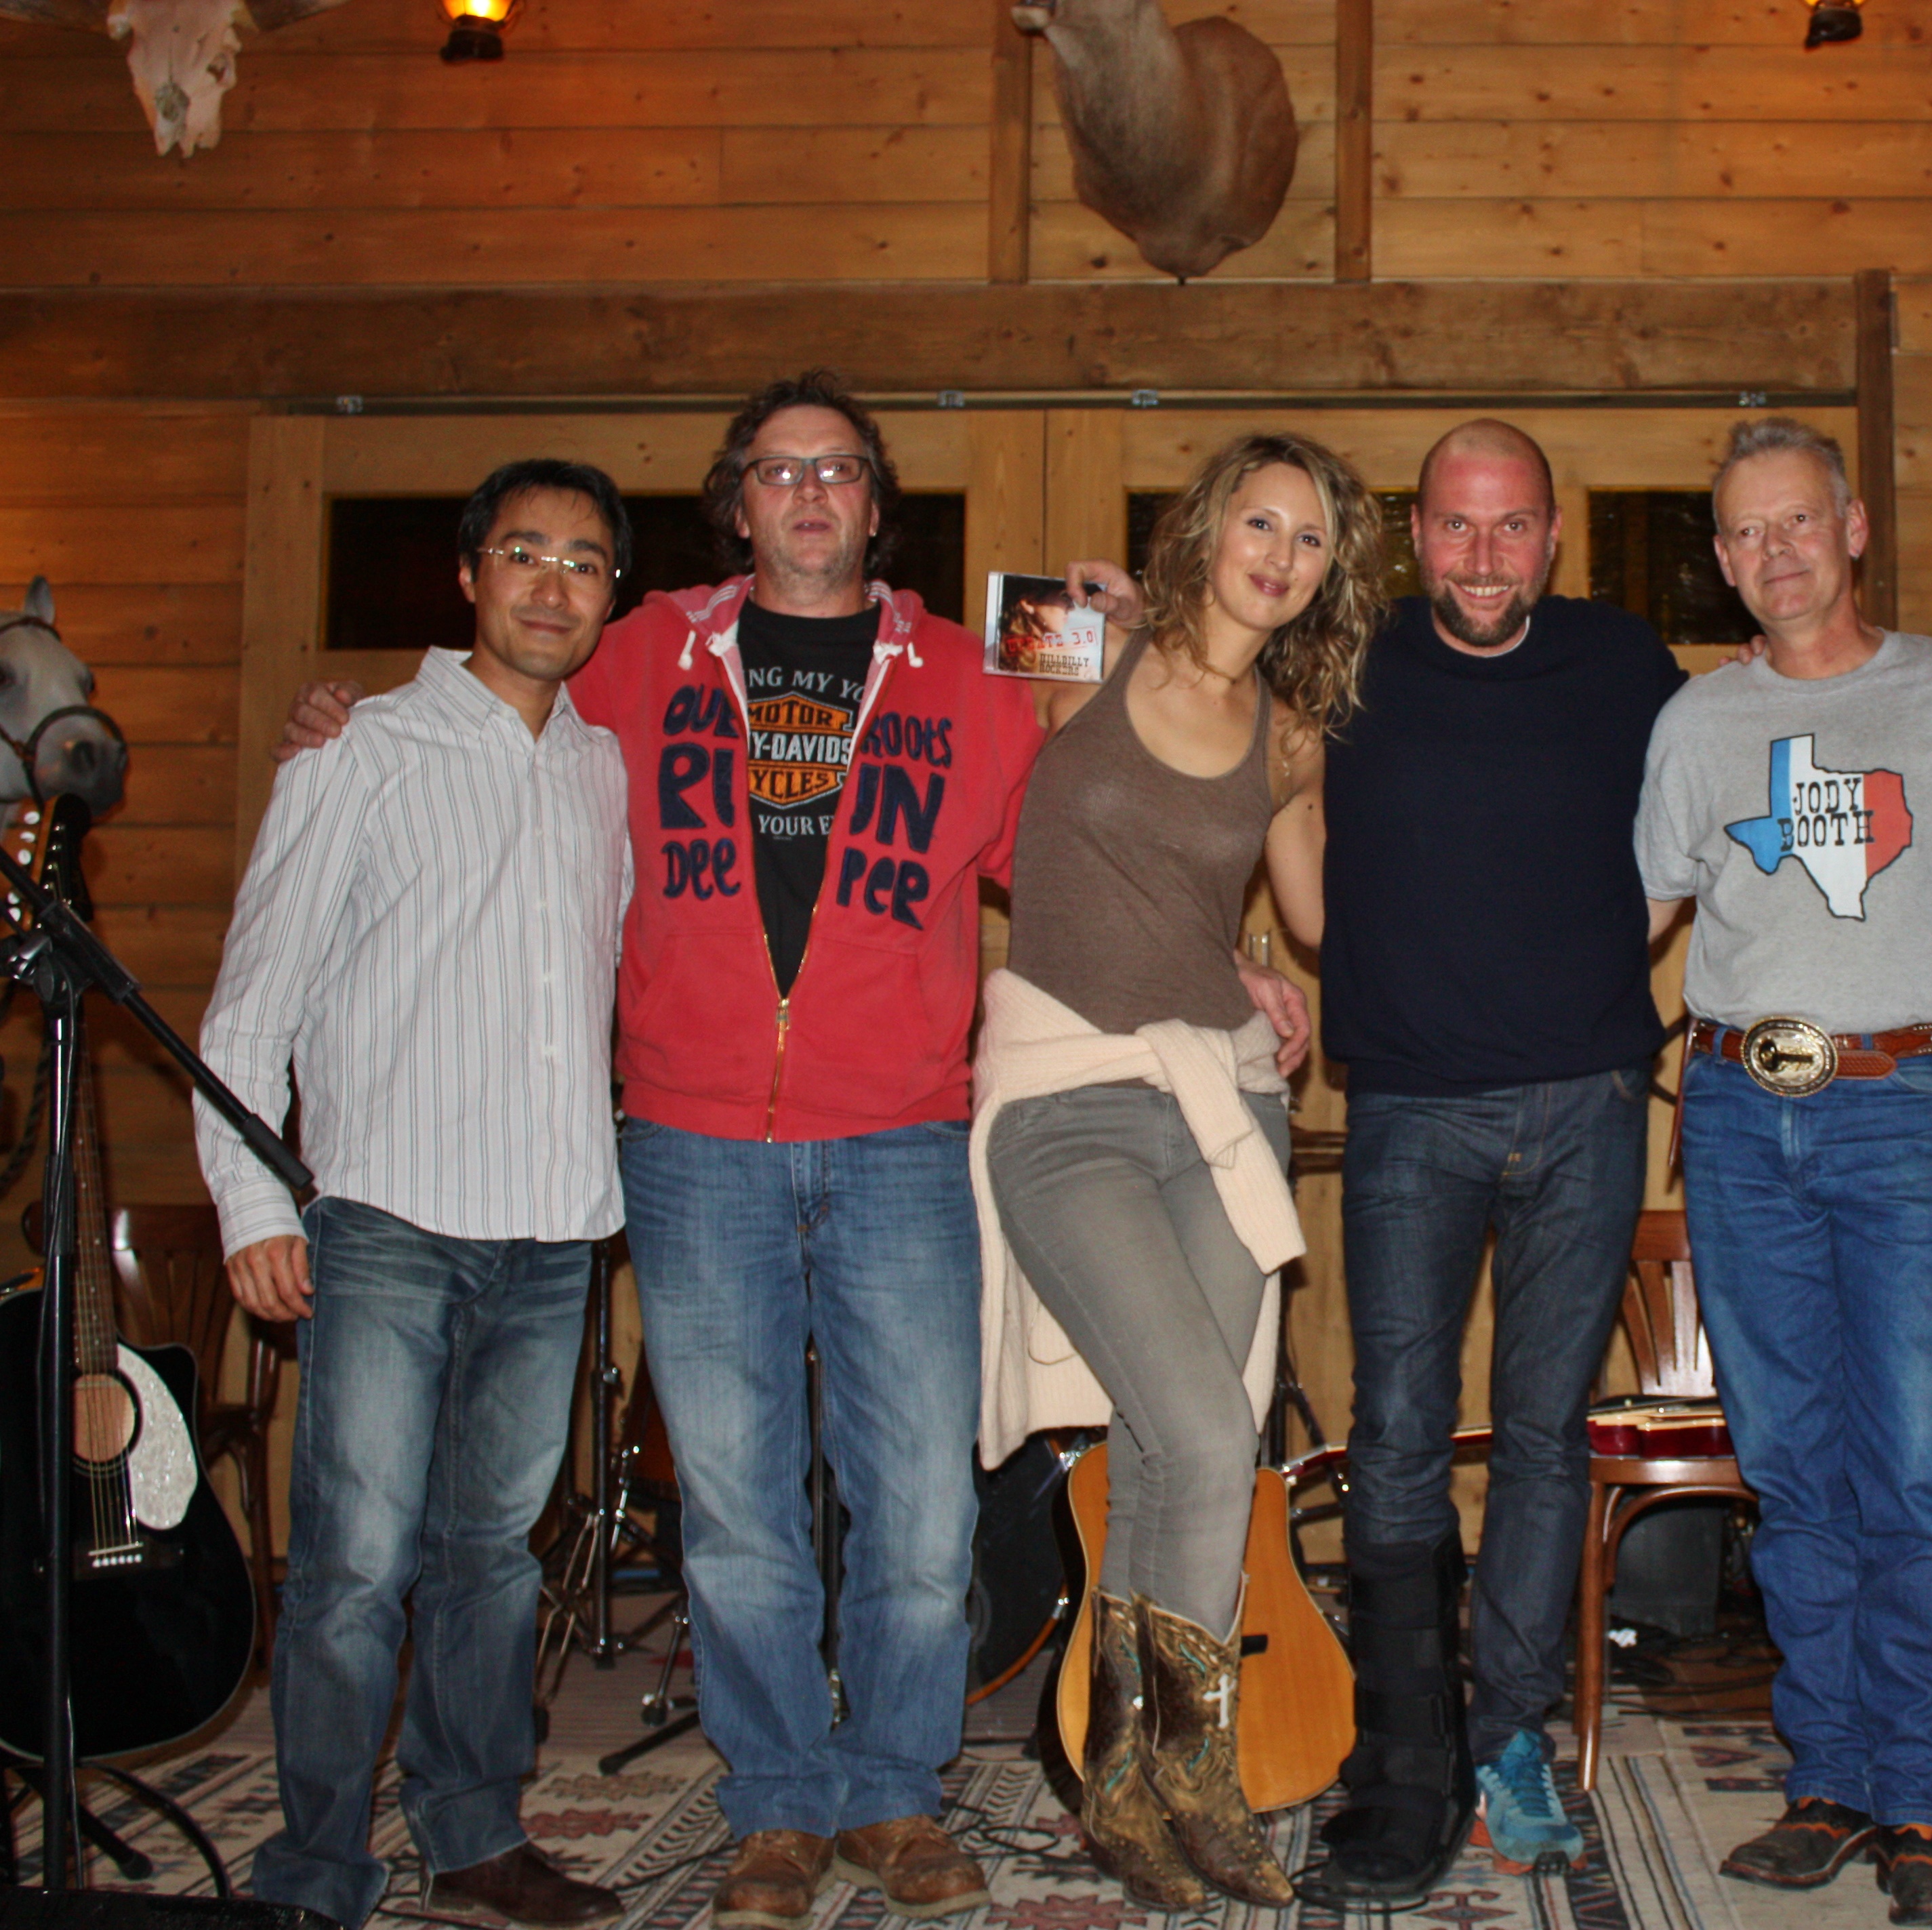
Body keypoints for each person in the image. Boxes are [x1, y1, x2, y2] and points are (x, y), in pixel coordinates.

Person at [277, 373, 1309, 1929]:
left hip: (900, 1135)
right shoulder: (638, 654)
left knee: (915, 1508)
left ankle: (894, 1791)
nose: (810, 493)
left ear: (875, 507)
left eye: (837, 470)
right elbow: (503, 689)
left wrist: (1230, 960)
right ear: (740, 504)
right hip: (692, 1142)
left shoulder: (966, 677)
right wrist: (356, 717)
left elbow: (1107, 847)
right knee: (744, 1507)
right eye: (778, 472)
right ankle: (772, 1803)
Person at [1062, 419, 1685, 1900]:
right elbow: (1221, 688)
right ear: (1417, 532)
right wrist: (1139, 619)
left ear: (1553, 535)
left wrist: (1611, 958)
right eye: (1456, 527)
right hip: (1408, 1104)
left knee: (1544, 1431)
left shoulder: (1629, 666)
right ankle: (1404, 1765)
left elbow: (1694, 833)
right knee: (1400, 1428)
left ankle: (1508, 1738)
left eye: (1512, 526)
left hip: (1590, 1100)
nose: (1483, 556)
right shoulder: (1354, 658)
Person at [201, 459, 635, 1930]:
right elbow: (251, 1005)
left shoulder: (603, 767)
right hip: (384, 1215)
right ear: (469, 572)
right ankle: (314, 1870)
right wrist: (257, 1206)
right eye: (524, 552)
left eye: (583, 562)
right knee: (349, 1566)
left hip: (552, 1224)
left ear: (610, 596)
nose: (552, 583)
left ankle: (474, 1837)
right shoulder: (357, 751)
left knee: (489, 1559)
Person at [971, 430, 1380, 1910]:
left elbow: (1321, 916)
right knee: (1210, 1430)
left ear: (1333, 571)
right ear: (1209, 528)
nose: (1280, 553)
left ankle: (1143, 1784)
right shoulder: (1082, 652)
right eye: (1260, 520)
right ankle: (1190, 1772)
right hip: (1065, 1101)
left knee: (1177, 1450)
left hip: (1216, 1103)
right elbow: (987, 825)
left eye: (1314, 537)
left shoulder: (1290, 732)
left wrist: (1260, 957)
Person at [1635, 417, 1932, 1929]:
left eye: (1796, 522)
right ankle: (1833, 1776)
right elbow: (1638, 914)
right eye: (1742, 533)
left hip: (1899, 1102)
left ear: (1852, 529)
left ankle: (1924, 1791)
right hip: (1735, 1107)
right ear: (1722, 557)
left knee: (1918, 1458)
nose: (1771, 552)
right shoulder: (1695, 723)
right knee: (1791, 1465)